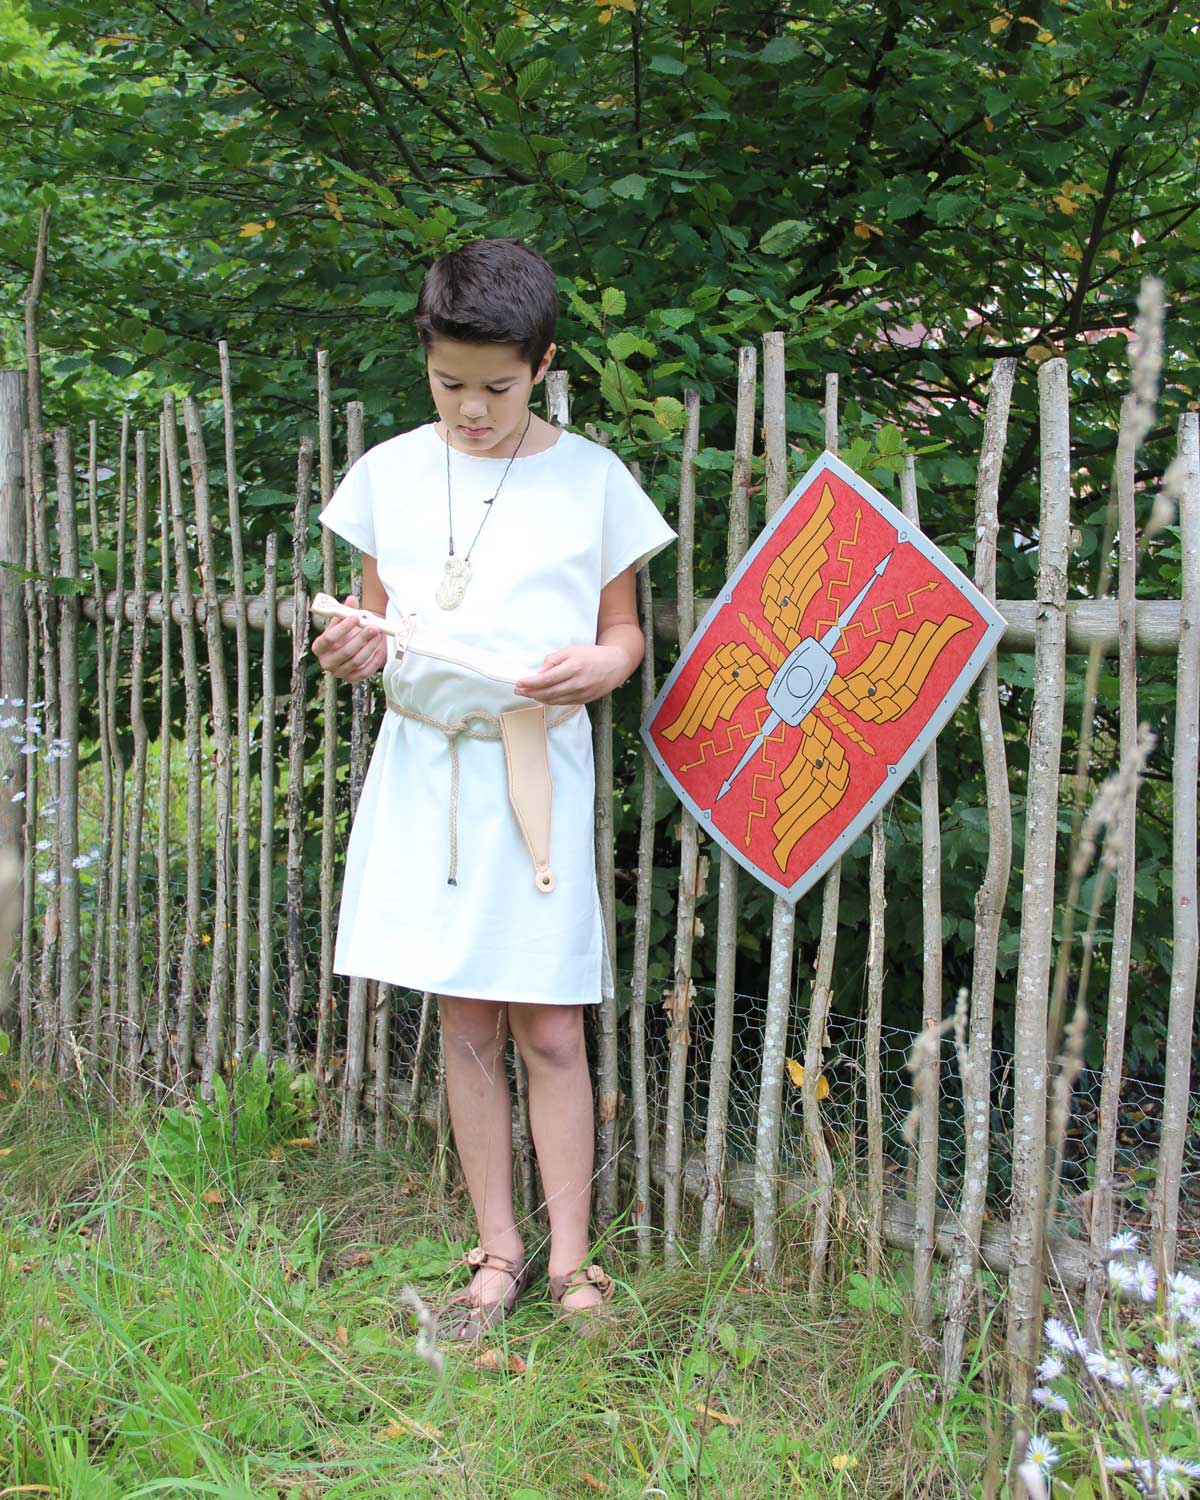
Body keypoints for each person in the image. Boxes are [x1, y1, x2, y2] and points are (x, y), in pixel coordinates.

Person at [312, 238, 675, 1340]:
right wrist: (353, 653)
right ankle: (497, 1251)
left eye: (497, 388)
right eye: (449, 385)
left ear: (544, 362)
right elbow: (371, 625)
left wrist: (606, 666)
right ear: (427, 360)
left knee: (551, 1027)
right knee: (465, 1018)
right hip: (426, 772)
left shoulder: (594, 479)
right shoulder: (387, 474)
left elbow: (625, 635)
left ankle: (572, 1266)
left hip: (535, 772)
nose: (471, 411)